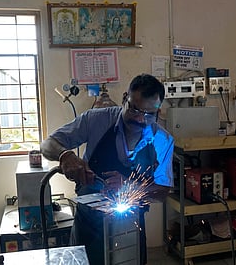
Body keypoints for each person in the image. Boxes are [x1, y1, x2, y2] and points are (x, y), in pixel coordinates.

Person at [40, 74, 174, 265]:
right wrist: (65, 156)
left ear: (158, 111)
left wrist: (130, 185)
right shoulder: (96, 120)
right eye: (134, 109)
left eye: (148, 114)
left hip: (130, 225)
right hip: (89, 224)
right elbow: (47, 144)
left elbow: (162, 192)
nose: (139, 119)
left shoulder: (162, 140)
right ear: (124, 99)